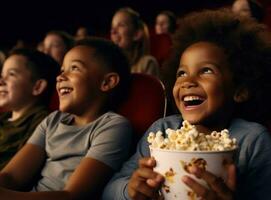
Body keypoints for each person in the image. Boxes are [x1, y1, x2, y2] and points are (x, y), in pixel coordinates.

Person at [102, 8, 271, 200]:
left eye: (206, 70)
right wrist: (129, 189)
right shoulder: (162, 130)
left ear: (240, 91)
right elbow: (110, 191)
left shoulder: (253, 140)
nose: (187, 81)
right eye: (181, 73)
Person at [0, 37, 133, 199]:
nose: (60, 77)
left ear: (107, 82)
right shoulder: (52, 121)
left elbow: (72, 195)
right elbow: (11, 177)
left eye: (74, 68)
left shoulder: (113, 126)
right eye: (62, 70)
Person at [0, 48, 60, 169]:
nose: (1, 81)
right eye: (2, 75)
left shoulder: (42, 123)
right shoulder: (3, 118)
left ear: (37, 87)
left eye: (11, 74)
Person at [111, 7, 160, 78]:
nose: (113, 31)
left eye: (121, 25)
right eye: (112, 27)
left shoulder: (147, 63)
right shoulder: (111, 66)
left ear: (137, 34)